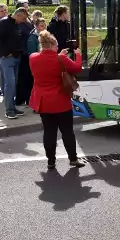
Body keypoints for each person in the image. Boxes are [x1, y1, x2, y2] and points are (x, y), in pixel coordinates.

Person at [29, 30, 85, 169]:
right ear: (53, 45)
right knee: (67, 131)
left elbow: (47, 61)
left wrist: (59, 56)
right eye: (57, 46)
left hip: (43, 102)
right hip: (61, 101)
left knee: (49, 132)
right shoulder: (61, 59)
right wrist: (77, 54)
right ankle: (73, 159)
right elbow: (77, 68)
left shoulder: (33, 58)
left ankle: (51, 161)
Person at [0, 8, 28, 119]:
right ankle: (8, 110)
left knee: (14, 84)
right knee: (10, 83)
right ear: (18, 15)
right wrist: (5, 53)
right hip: (7, 58)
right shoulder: (4, 23)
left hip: (17, 57)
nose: (22, 21)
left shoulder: (17, 25)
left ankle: (13, 107)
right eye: (22, 19)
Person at [16, 3, 35, 107]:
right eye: (25, 9)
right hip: (23, 53)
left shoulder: (29, 23)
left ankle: (28, 98)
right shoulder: (19, 24)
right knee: (22, 77)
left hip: (29, 53)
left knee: (28, 77)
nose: (27, 11)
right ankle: (20, 99)